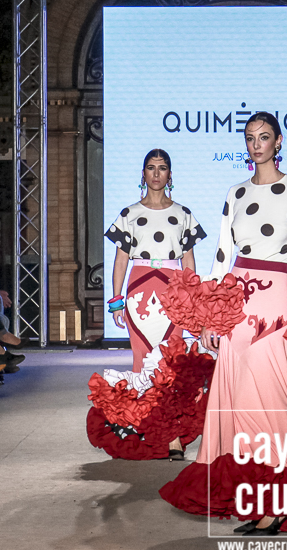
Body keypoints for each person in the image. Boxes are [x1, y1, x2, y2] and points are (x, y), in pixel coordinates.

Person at [158, 112, 287, 536]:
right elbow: (221, 258)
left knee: (269, 398)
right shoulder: (234, 193)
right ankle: (258, 499)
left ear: (278, 141)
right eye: (250, 137)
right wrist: (210, 317)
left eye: (264, 137)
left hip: (275, 300)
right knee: (236, 398)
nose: (256, 144)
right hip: (236, 300)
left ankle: (280, 501)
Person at [87, 148, 209, 461]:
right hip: (139, 289)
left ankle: (173, 436)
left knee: (172, 362)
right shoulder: (128, 214)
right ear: (143, 174)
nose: (156, 173)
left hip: (173, 290)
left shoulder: (183, 214)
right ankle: (147, 429)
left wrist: (192, 298)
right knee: (143, 362)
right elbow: (121, 260)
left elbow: (189, 261)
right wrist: (116, 301)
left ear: (170, 174)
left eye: (162, 167)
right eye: (151, 168)